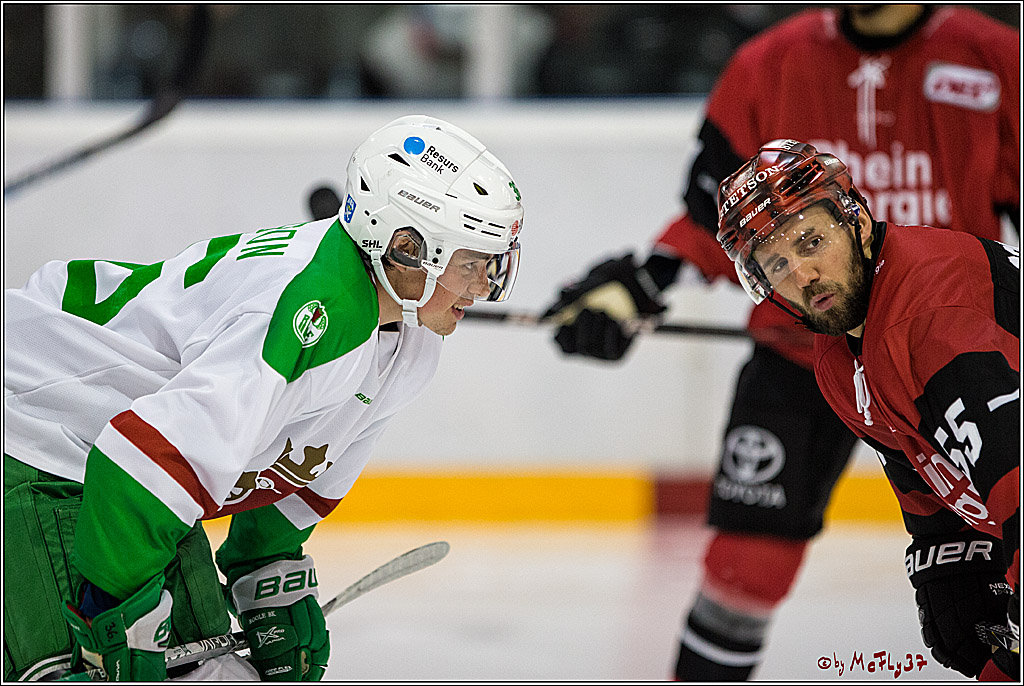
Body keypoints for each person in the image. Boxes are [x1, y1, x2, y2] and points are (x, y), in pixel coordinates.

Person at [542, 5, 1019, 680]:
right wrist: (641, 284)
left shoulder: (997, 57)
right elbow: (718, 221)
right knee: (747, 565)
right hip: (814, 348)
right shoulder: (769, 64)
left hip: (950, 339)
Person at [3, 114, 524, 681]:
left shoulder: (408, 342)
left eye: (493, 264)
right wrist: (111, 622)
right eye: (471, 263)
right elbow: (140, 460)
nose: (484, 286)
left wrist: (269, 574)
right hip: (38, 437)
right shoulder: (312, 313)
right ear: (404, 248)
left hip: (118, 483)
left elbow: (299, 472)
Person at [715, 138, 1019, 680]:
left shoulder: (933, 321)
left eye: (812, 242)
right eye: (778, 264)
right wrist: (943, 547)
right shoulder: (837, 354)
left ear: (854, 220)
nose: (802, 275)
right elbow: (918, 462)